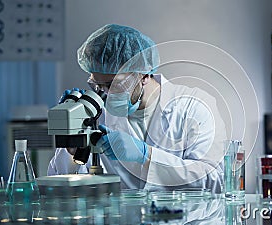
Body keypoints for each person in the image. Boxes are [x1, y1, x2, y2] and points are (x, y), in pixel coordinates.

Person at [48, 24, 227, 193]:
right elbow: (58, 181)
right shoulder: (97, 115)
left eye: (112, 85)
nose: (106, 94)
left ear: (144, 75)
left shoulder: (193, 106)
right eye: (98, 86)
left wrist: (147, 155)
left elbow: (215, 181)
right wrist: (72, 149)